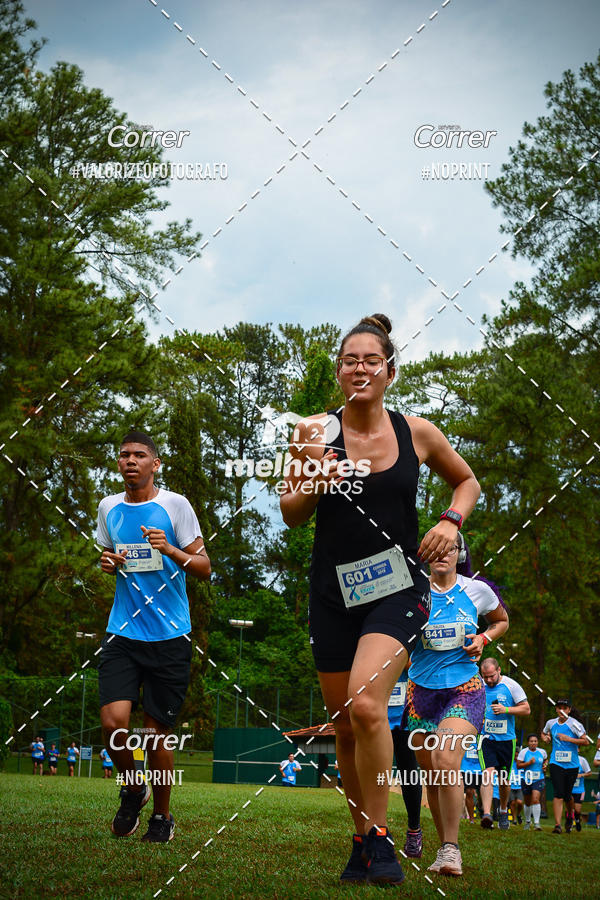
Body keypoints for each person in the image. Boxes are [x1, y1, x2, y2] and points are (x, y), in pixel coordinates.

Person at [280, 313, 482, 885]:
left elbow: (466, 482)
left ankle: (382, 836)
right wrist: (316, 480)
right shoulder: (313, 431)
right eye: (350, 360)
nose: (360, 367)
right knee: (344, 724)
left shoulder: (417, 432)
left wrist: (450, 519)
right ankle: (359, 839)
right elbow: (291, 514)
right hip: (331, 592)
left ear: (390, 371)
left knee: (368, 707)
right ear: (339, 372)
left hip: (397, 589)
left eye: (371, 360)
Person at [97, 431, 211, 842]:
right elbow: (107, 555)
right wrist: (108, 562)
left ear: (155, 464)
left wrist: (170, 550)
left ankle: (162, 817)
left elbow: (204, 567)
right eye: (125, 455)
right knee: (113, 723)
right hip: (122, 633)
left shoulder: (174, 505)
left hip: (169, 636)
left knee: (156, 735)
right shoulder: (108, 507)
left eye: (140, 455)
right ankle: (133, 788)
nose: (131, 461)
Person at [405, 530, 509, 876]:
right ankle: (443, 848)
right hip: (420, 694)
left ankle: (452, 850)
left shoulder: (476, 590)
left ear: (459, 553)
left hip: (464, 690)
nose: (441, 555)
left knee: (446, 757)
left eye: (448, 549)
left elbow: (502, 621)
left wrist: (483, 637)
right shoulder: (412, 593)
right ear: (425, 554)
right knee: (431, 776)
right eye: (434, 549)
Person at [478, 659, 530, 830]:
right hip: (486, 739)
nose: (489, 680)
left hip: (507, 740)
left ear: (499, 670)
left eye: (491, 676)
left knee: (504, 781)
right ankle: (486, 814)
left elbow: (526, 709)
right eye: (485, 677)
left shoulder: (511, 686)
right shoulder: (479, 685)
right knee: (487, 773)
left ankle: (502, 810)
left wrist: (506, 709)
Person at [387, 668, 422, 856]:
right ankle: (378, 831)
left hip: (407, 719)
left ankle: (414, 830)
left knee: (408, 773)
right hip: (378, 719)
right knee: (376, 775)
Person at [542, 700, 589, 833]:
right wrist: (546, 738)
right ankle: (557, 825)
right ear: (556, 710)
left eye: (565, 708)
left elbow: (585, 741)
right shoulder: (551, 723)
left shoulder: (574, 724)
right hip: (556, 762)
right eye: (559, 708)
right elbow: (544, 733)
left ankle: (570, 815)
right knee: (558, 793)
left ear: (569, 710)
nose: (562, 710)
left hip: (572, 765)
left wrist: (569, 739)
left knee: (568, 795)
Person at [517, 733, 547, 830]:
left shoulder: (542, 752)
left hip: (539, 778)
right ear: (528, 743)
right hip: (526, 779)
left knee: (535, 799)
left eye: (535, 741)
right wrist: (529, 763)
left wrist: (545, 765)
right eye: (531, 741)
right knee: (528, 802)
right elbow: (518, 765)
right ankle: (528, 821)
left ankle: (537, 824)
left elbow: (546, 760)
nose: (533, 743)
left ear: (537, 742)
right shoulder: (523, 752)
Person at [460, 740, 483, 824]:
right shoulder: (464, 734)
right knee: (469, 792)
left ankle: (483, 812)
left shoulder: (483, 734)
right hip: (466, 768)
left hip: (481, 768)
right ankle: (471, 819)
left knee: (482, 794)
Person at [571, 753, 592, 831]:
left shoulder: (582, 760)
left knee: (577, 810)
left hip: (579, 790)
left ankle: (577, 821)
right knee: (569, 807)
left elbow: (589, 773)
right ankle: (570, 823)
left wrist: (581, 775)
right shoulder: (567, 759)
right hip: (569, 789)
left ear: (578, 750)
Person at [508, 759, 524, 825]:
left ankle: (518, 814)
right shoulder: (510, 762)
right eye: (515, 755)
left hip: (520, 786)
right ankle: (514, 819)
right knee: (512, 803)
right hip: (511, 786)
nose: (516, 757)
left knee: (520, 802)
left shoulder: (523, 763)